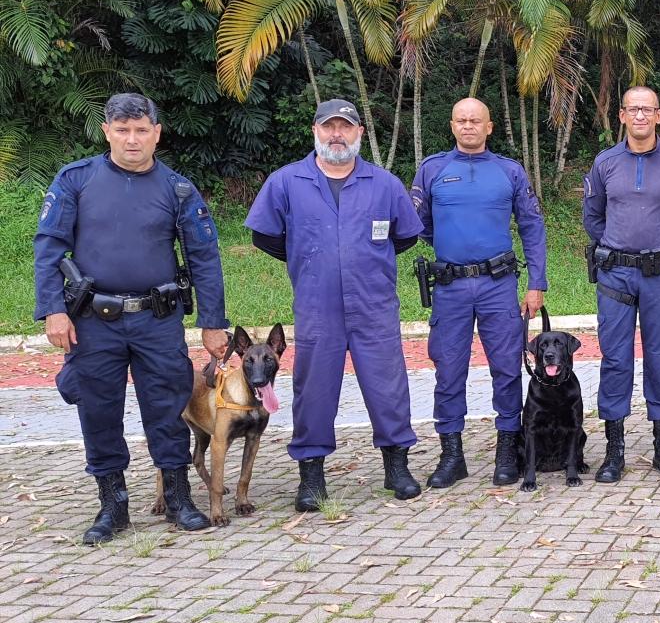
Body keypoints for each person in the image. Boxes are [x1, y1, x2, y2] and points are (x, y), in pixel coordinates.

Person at [33, 93, 231, 544]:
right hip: (92, 322)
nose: (132, 140)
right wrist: (53, 310)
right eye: (122, 131)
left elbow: (204, 257)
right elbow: (48, 248)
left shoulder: (178, 189)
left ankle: (178, 499)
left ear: (157, 133)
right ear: (107, 132)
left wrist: (213, 321)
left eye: (142, 130)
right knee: (98, 409)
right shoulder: (76, 180)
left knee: (166, 407)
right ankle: (112, 504)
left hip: (156, 319)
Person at [246, 99, 425, 511]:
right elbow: (266, 236)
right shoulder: (287, 181)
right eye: (329, 127)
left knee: (388, 386)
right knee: (314, 388)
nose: (337, 135)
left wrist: (360, 259)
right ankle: (311, 478)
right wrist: (308, 258)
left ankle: (396, 467)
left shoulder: (384, 184)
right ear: (315, 131)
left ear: (359, 133)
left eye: (346, 127)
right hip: (316, 304)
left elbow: (406, 236)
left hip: (373, 303)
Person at [410, 97, 547, 490]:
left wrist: (536, 283)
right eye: (461, 120)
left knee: (506, 368)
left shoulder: (509, 171)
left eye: (476, 121)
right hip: (450, 287)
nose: (468, 126)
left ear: (489, 127)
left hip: (497, 285)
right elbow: (418, 224)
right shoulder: (433, 169)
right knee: (448, 370)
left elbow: (533, 227)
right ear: (452, 126)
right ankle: (452, 454)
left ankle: (508, 450)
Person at [582, 85, 660, 482]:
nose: (640, 117)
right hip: (615, 274)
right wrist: (616, 249)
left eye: (647, 110)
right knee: (615, 359)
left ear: (658, 116)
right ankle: (614, 451)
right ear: (621, 115)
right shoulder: (605, 164)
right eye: (633, 110)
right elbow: (593, 216)